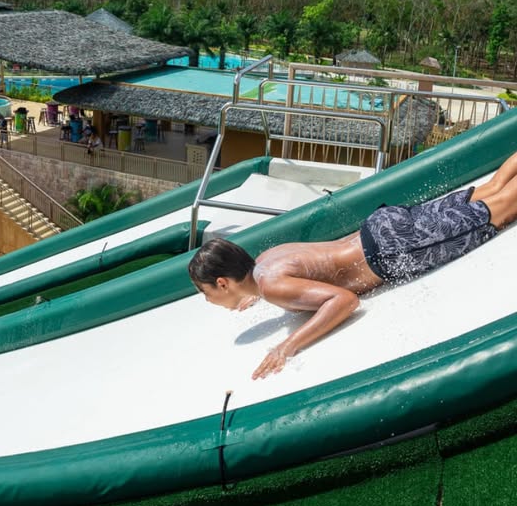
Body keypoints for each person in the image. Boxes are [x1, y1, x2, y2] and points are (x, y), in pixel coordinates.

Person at [188, 152, 517, 380]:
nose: (208, 300)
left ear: (222, 283)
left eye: (206, 293)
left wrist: (287, 346)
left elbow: (344, 301)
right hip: (379, 226)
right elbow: (293, 277)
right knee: (491, 190)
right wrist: (252, 295)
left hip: (394, 249)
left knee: (503, 208)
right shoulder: (265, 261)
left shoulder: (271, 286)